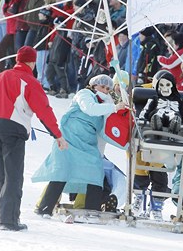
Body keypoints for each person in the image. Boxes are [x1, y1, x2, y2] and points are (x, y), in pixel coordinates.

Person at [0, 46, 67, 231]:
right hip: (12, 128)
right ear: (32, 61)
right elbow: (43, 109)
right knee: (13, 177)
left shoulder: (2, 76)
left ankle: (6, 216)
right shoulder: (29, 80)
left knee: (4, 176)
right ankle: (9, 220)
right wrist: (57, 135)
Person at [31, 74, 125, 218]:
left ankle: (91, 210)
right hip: (69, 140)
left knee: (95, 173)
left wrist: (124, 141)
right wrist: (113, 107)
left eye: (107, 88)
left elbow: (104, 132)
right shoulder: (84, 94)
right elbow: (89, 109)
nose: (105, 90)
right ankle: (44, 208)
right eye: (102, 87)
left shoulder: (104, 106)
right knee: (61, 172)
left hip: (87, 145)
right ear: (94, 85)